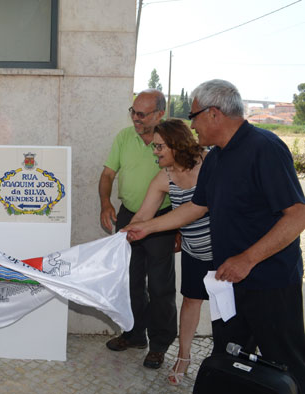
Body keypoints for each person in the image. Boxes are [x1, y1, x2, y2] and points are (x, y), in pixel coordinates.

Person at [124, 79, 305, 391]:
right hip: (228, 283)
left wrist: (248, 259)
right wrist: (147, 226)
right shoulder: (216, 158)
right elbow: (197, 207)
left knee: (284, 362)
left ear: (214, 114)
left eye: (193, 116)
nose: (192, 126)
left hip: (270, 282)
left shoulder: (265, 148)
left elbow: (298, 214)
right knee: (228, 359)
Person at [128, 119, 213, 385]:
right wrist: (122, 236)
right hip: (193, 251)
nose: (155, 152)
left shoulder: (209, 163)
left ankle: (225, 363)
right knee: (190, 302)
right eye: (154, 147)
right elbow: (143, 215)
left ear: (177, 144)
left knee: (228, 310)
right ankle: (183, 358)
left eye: (159, 147)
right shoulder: (163, 177)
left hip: (226, 252)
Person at [100, 89, 177, 369]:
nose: (135, 118)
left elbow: (186, 185)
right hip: (128, 215)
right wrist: (105, 203)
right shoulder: (123, 137)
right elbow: (108, 174)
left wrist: (179, 225)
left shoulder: (172, 142)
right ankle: (134, 335)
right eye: (133, 111)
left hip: (163, 219)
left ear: (160, 114)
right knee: (129, 282)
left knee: (160, 286)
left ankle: (159, 345)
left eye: (142, 114)